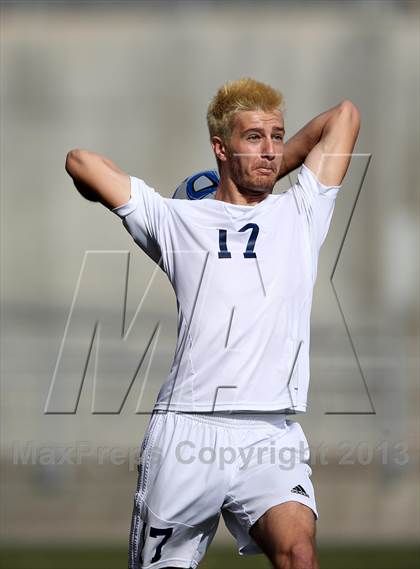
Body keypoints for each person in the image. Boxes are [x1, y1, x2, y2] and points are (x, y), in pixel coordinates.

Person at [65, 78, 360, 569]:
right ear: (220, 148)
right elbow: (81, 161)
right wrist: (230, 182)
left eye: (277, 136)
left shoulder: (302, 211)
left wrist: (271, 165)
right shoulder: (178, 220)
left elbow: (345, 114)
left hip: (271, 433)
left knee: (300, 555)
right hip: (187, 431)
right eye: (253, 138)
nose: (269, 149)